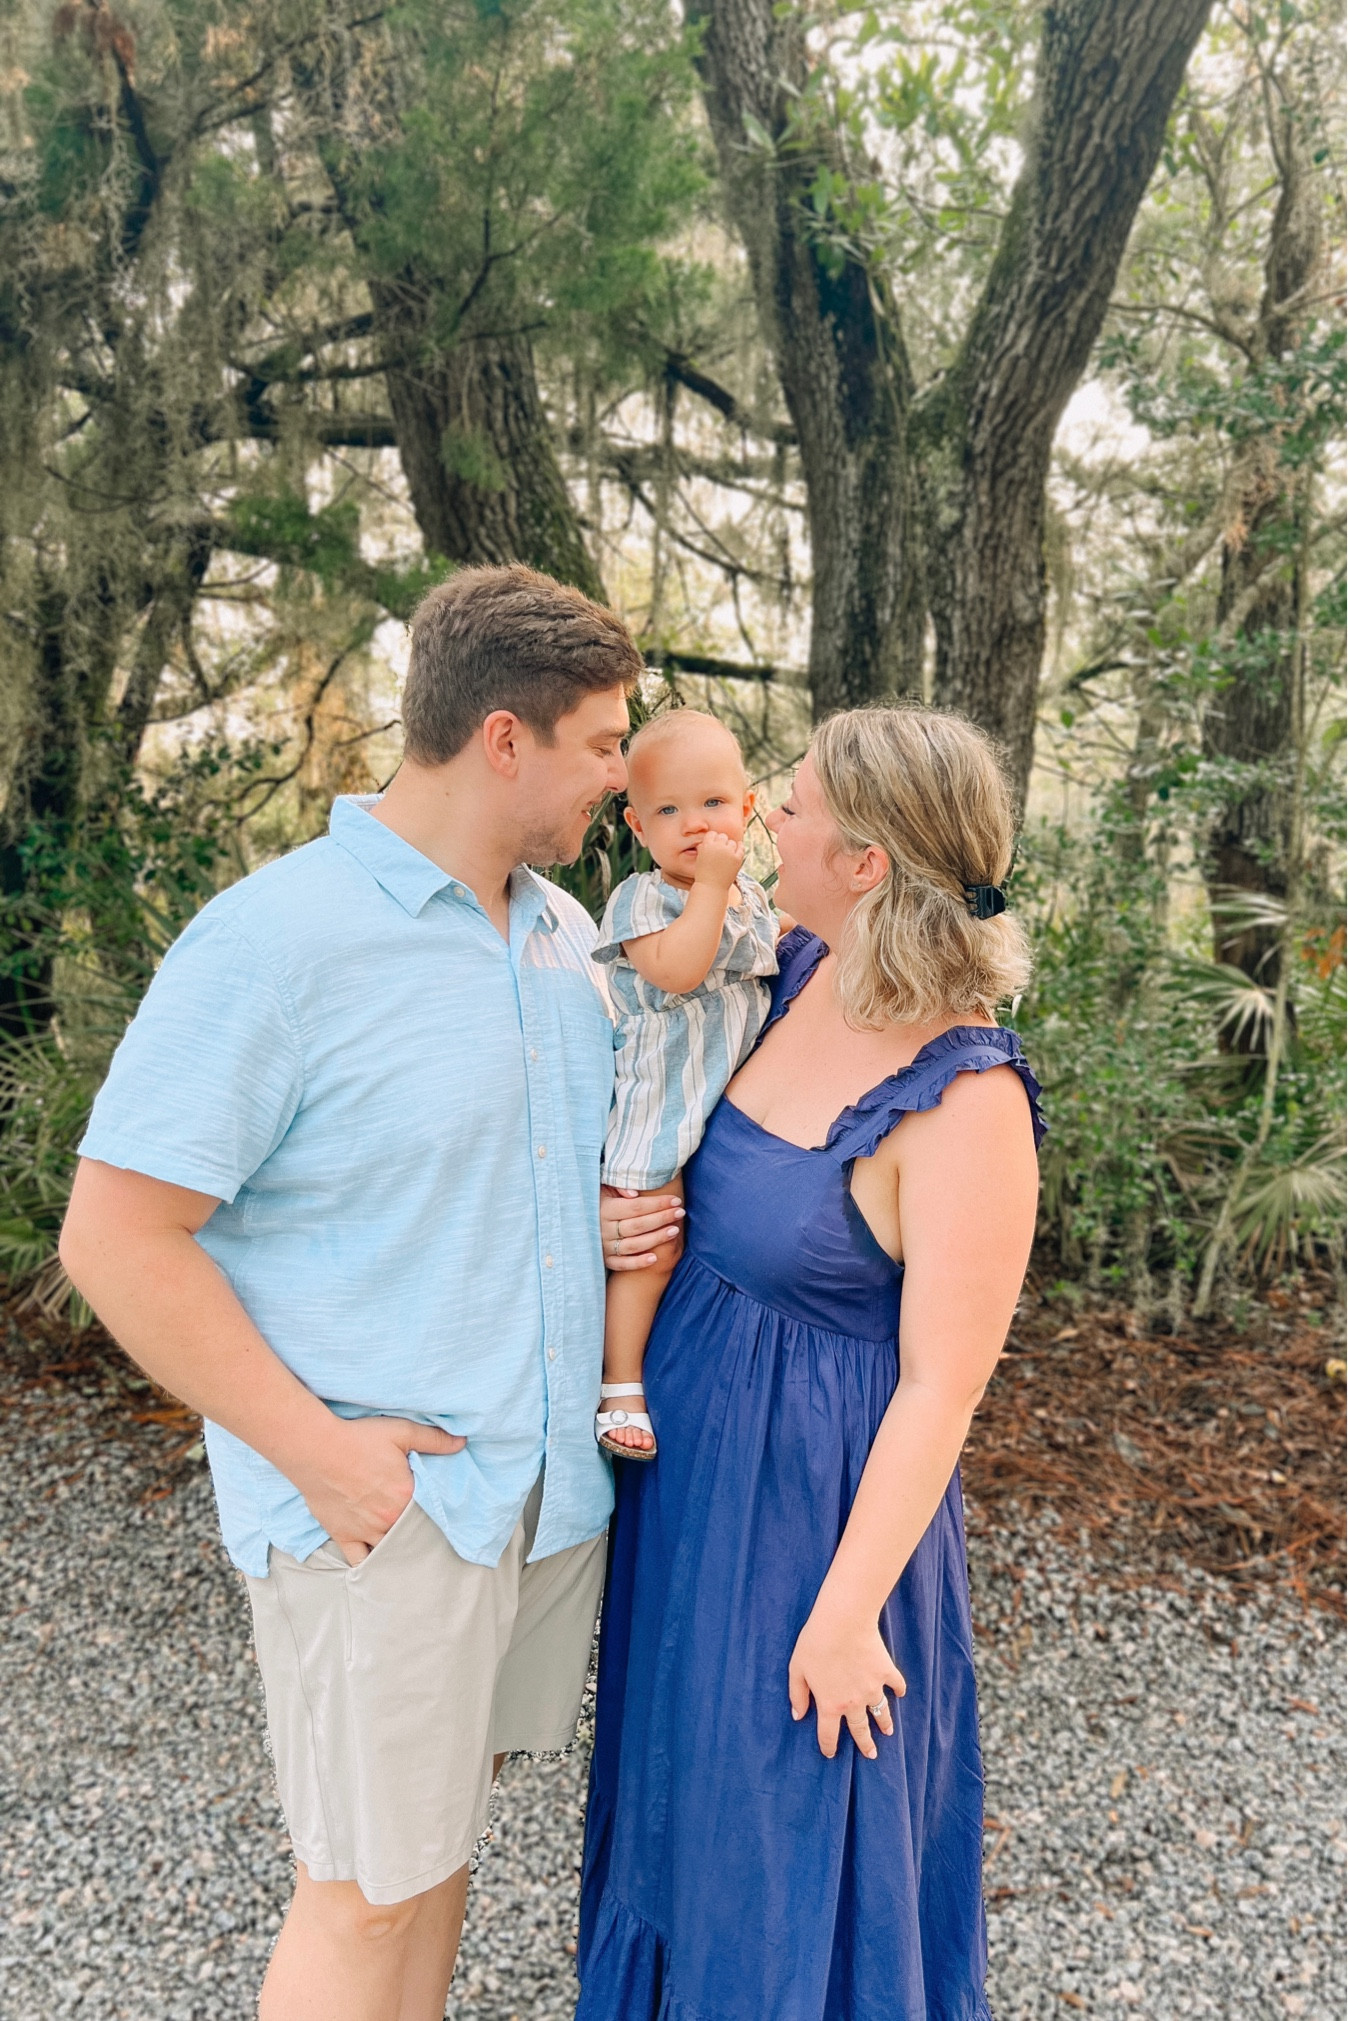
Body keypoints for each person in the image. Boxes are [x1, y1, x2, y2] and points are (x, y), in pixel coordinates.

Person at [58, 564, 683, 2021]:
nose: (624, 772)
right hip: (381, 1511)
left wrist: (623, 1207)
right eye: (605, 741)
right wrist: (320, 1454)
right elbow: (117, 1233)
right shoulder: (278, 942)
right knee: (360, 1894)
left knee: (432, 1863)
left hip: (529, 1502)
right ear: (506, 740)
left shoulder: (562, 937)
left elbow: (523, 1175)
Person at [578, 703, 1046, 2021]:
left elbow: (942, 1388)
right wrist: (623, 1210)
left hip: (817, 1537)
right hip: (688, 1504)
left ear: (869, 862)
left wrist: (842, 1615)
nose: (762, 823)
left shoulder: (968, 1102)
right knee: (676, 1835)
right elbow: (652, 1097)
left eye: (793, 807)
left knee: (782, 1862)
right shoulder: (785, 971)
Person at [591, 710, 780, 1460]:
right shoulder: (644, 899)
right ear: (637, 825)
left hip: (719, 1110)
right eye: (668, 810)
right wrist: (711, 886)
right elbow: (680, 968)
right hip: (661, 1102)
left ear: (748, 809)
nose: (693, 824)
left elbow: (772, 947)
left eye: (711, 804)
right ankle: (619, 1384)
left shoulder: (751, 899)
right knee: (653, 1243)